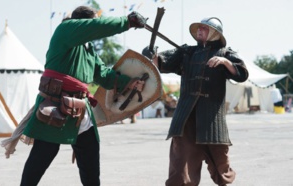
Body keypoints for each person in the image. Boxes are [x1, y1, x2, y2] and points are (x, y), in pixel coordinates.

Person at [19, 6, 146, 186]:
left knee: (90, 160)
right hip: (54, 104)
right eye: (93, 22)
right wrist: (127, 22)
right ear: (83, 23)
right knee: (42, 156)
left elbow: (103, 74)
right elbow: (98, 27)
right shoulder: (66, 29)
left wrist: (128, 82)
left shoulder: (88, 48)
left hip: (80, 109)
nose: (95, 27)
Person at [144, 17, 249, 185]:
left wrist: (225, 62)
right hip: (185, 117)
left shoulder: (225, 53)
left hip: (212, 120)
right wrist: (153, 55)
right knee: (180, 166)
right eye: (199, 28)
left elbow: (242, 74)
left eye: (205, 28)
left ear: (215, 33)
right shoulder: (187, 52)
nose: (200, 30)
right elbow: (162, 63)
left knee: (221, 167)